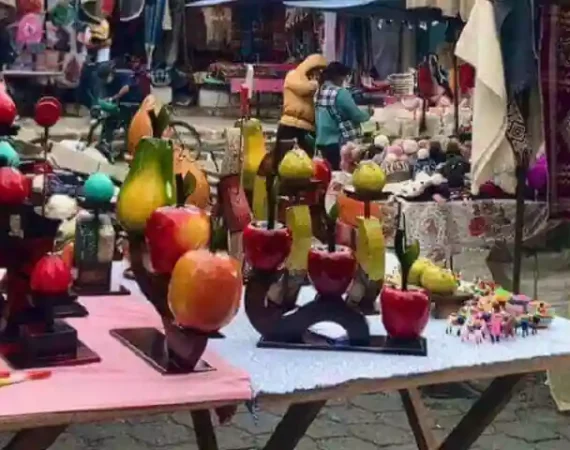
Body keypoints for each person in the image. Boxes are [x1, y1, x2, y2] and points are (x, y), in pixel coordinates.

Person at [315, 62, 372, 170]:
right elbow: (357, 115)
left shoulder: (320, 90)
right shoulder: (340, 93)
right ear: (339, 76)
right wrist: (369, 113)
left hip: (322, 140)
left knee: (329, 173)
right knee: (342, 176)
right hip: (338, 142)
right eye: (345, 77)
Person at [278, 54, 327, 155]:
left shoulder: (315, 84)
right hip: (291, 124)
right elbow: (303, 89)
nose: (318, 74)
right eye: (316, 70)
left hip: (307, 127)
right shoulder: (293, 75)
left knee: (306, 161)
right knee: (284, 158)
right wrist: (315, 84)